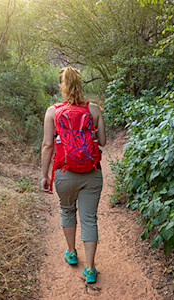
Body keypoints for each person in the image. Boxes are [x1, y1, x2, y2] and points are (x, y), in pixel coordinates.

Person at [40, 66, 106, 284]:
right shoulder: (94, 109)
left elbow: (48, 145)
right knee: (89, 219)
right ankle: (89, 269)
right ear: (81, 85)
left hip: (64, 172)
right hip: (91, 173)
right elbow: (103, 141)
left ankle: (71, 252)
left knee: (67, 210)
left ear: (62, 86)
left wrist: (44, 175)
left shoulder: (52, 111)